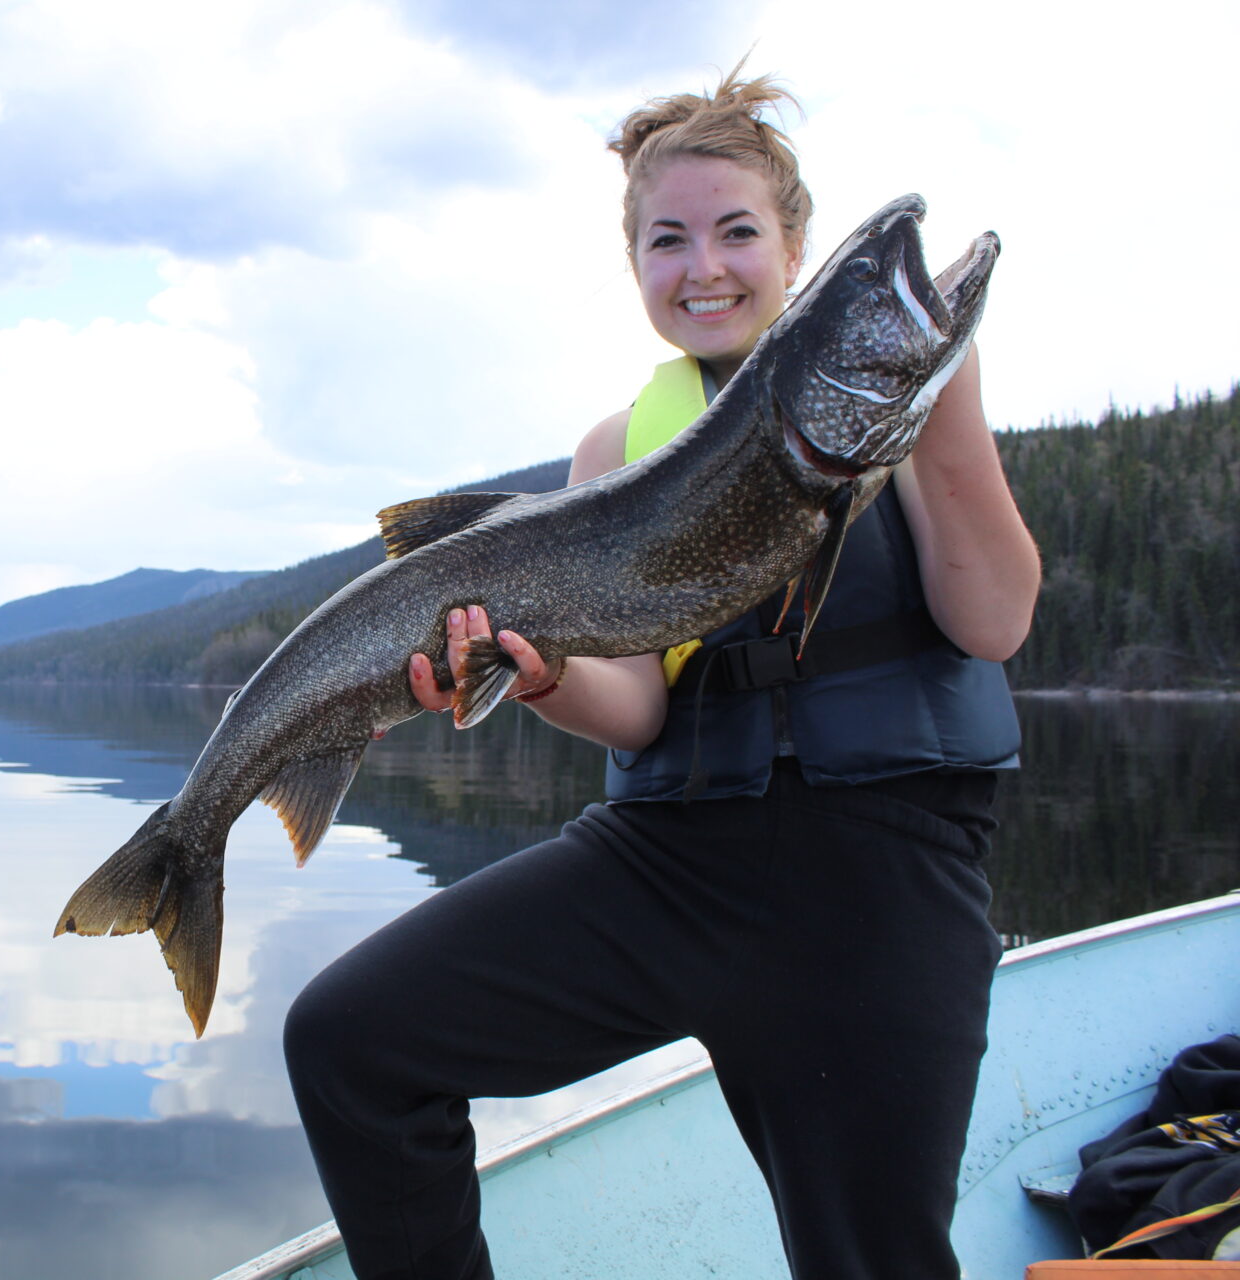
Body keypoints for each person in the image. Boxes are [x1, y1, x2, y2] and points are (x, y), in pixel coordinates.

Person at [282, 66, 1041, 1280]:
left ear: (793, 247)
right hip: (670, 865)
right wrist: (532, 673)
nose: (706, 267)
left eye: (739, 231)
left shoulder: (884, 402)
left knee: (875, 1259)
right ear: (633, 262)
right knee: (351, 1039)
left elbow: (992, 620)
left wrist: (942, 402)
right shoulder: (612, 449)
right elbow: (632, 704)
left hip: (882, 870)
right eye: (667, 239)